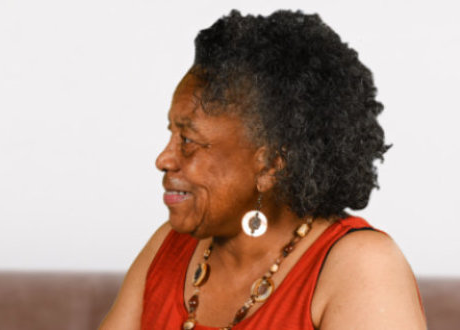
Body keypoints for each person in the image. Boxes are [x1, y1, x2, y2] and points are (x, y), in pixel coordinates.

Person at [101, 10, 425, 330]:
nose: (164, 159)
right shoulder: (169, 246)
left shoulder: (362, 266)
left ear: (270, 165)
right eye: (171, 133)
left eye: (188, 140)